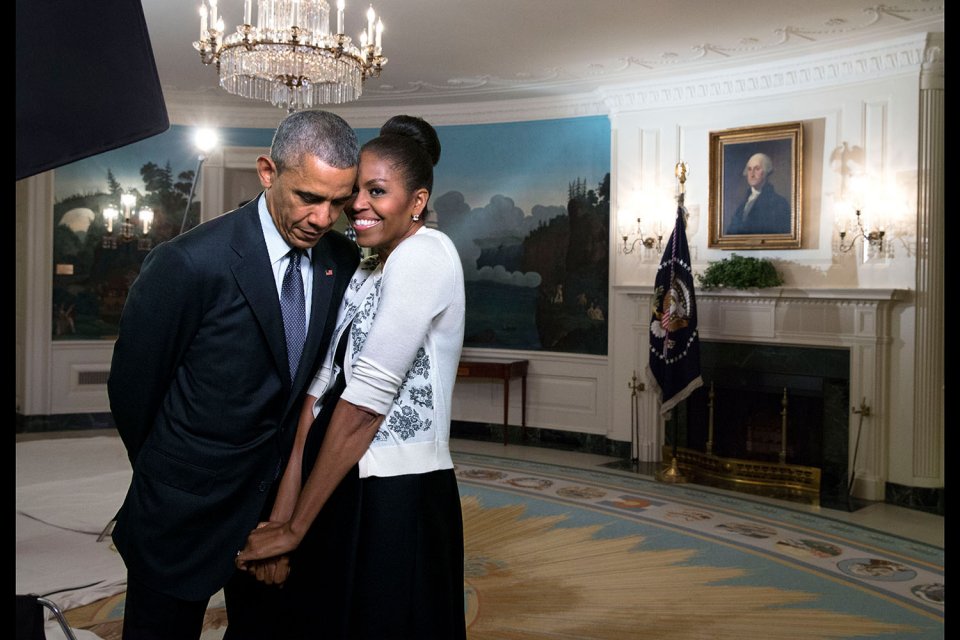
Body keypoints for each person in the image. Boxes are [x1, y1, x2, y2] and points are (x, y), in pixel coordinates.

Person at [107, 109, 362, 640]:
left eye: (339, 202)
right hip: (181, 513)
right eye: (309, 197)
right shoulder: (189, 262)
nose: (323, 218)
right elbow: (134, 392)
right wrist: (174, 475)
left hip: (274, 515)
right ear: (268, 172)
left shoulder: (340, 260)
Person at [235, 115, 467, 639]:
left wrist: (294, 528)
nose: (357, 204)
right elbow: (315, 401)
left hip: (397, 492)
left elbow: (365, 403)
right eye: (356, 190)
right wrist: (285, 518)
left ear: (417, 202)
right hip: (336, 475)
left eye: (377, 191)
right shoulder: (366, 268)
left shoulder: (427, 254)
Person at [725, 152, 792, 235]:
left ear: (766, 172)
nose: (752, 174)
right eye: (749, 169)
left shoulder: (779, 203)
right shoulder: (742, 206)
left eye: (757, 169)